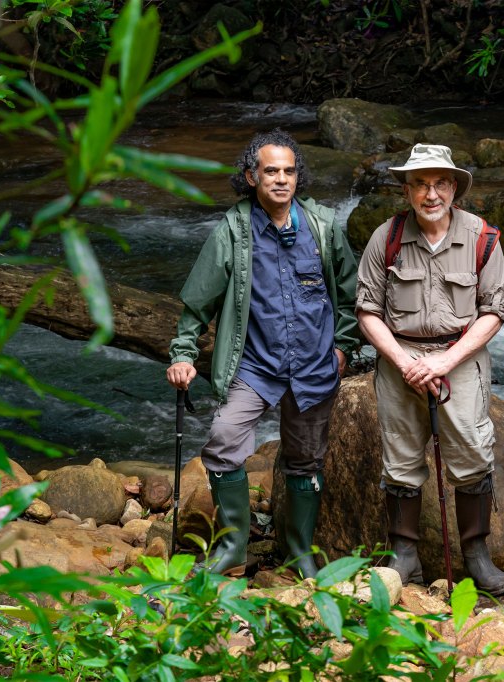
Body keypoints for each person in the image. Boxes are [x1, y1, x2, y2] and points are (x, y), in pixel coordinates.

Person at [166, 129, 359, 579]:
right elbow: (199, 302)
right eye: (271, 171)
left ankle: (299, 551)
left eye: (289, 171)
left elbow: (350, 296)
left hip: (313, 366)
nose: (281, 179)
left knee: (306, 458)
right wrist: (182, 353)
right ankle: (234, 546)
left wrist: (343, 349)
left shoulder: (323, 226)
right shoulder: (232, 231)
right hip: (254, 366)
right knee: (224, 438)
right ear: (251, 176)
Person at [355, 143, 504, 597]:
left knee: (472, 452)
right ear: (407, 190)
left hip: (460, 357)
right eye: (421, 184)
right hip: (398, 358)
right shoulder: (384, 238)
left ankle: (476, 555)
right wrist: (405, 362)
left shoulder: (483, 238)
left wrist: (445, 360)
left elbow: (494, 311)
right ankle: (404, 556)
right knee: (400, 457)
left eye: (439, 183)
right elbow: (366, 311)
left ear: (454, 188)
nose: (430, 194)